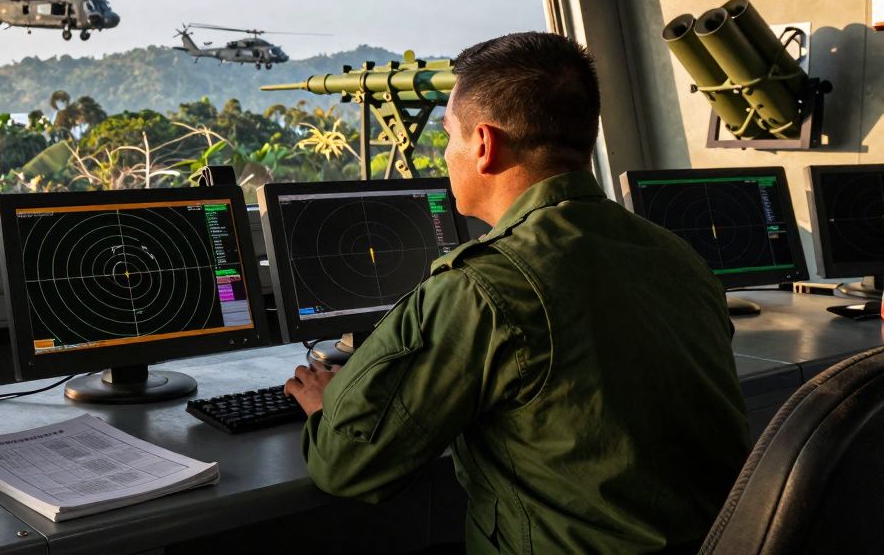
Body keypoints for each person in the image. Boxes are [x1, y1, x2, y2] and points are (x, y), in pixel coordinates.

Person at [283, 32, 749, 554]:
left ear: (483, 145)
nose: (447, 153)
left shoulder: (483, 286)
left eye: (448, 136)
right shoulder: (676, 255)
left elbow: (348, 467)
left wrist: (328, 407)